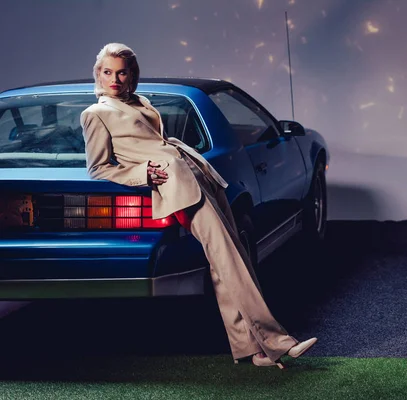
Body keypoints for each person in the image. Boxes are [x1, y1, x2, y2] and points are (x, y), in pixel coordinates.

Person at [80, 43, 317, 368]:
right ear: (99, 74)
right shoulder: (96, 114)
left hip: (199, 174)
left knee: (228, 260)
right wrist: (143, 174)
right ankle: (276, 341)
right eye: (108, 72)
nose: (114, 79)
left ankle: (250, 350)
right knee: (230, 258)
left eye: (121, 72)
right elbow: (98, 167)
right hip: (174, 187)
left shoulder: (139, 102)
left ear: (131, 74)